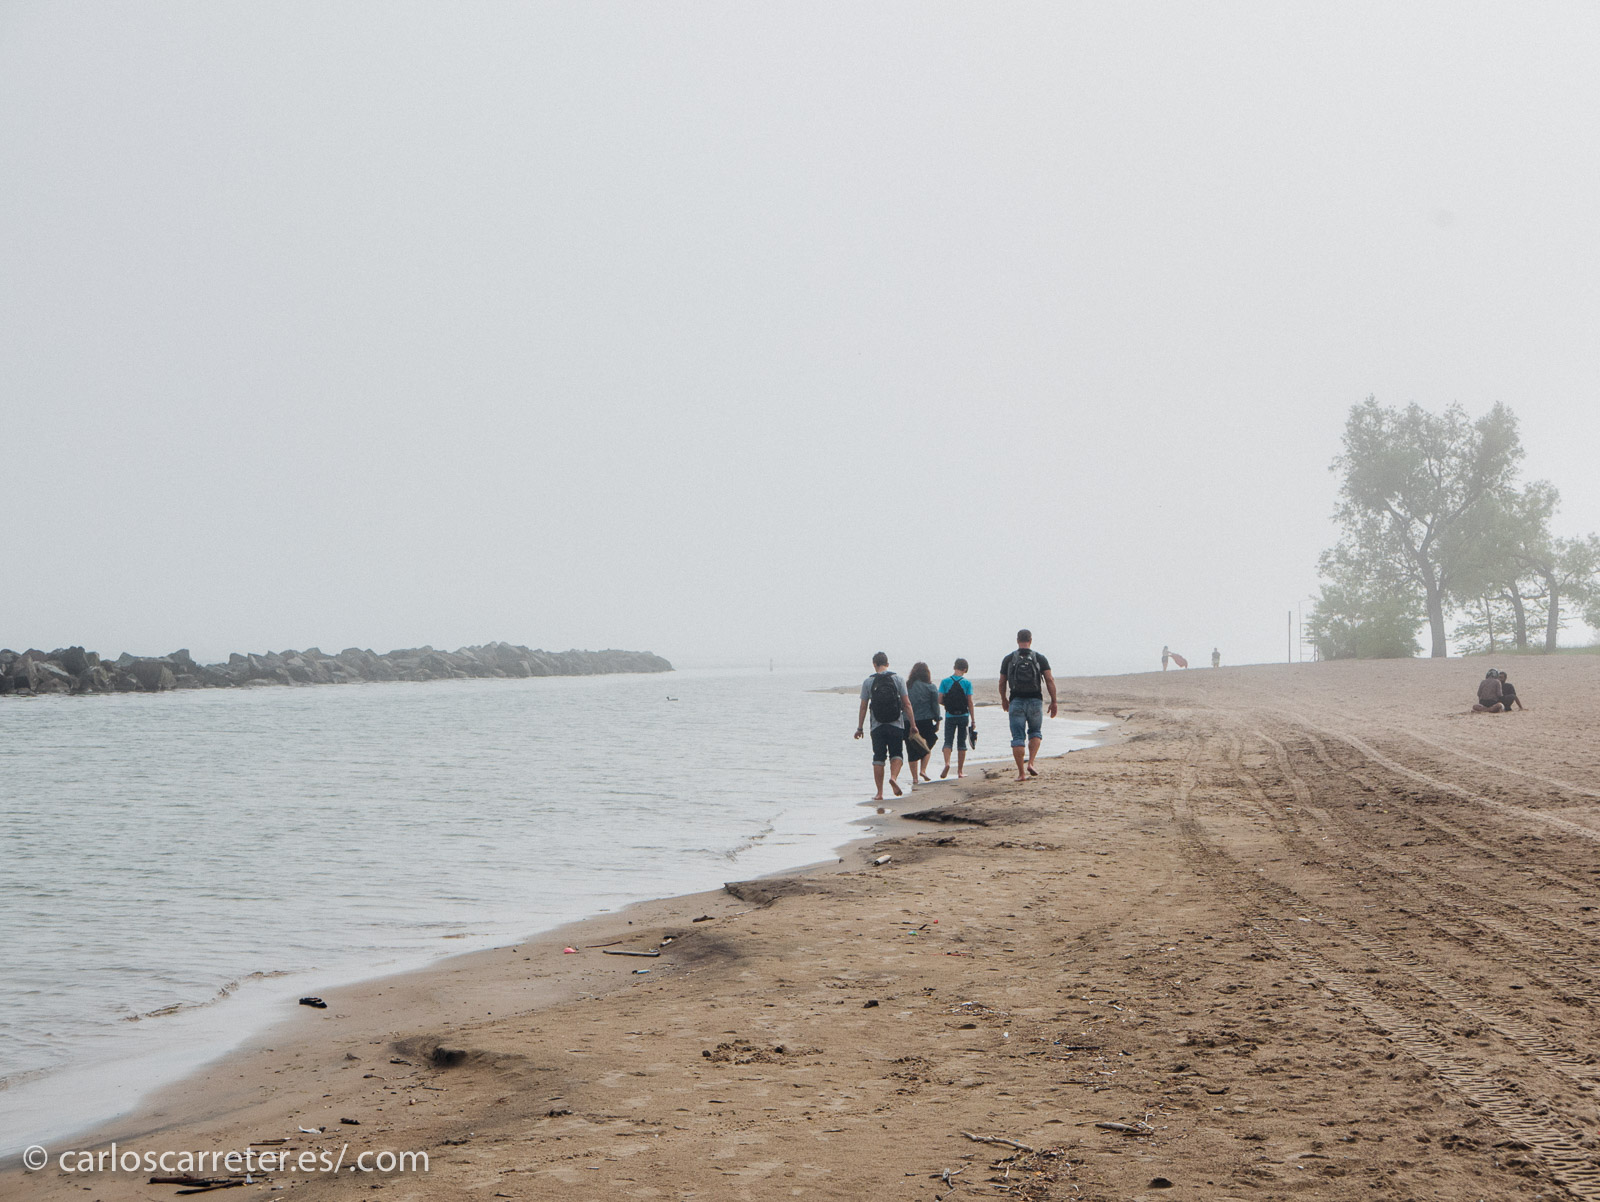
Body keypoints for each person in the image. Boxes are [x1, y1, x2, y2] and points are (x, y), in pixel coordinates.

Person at [855, 652, 919, 800]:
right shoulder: (898, 679)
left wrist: (860, 728)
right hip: (896, 724)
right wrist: (913, 725)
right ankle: (893, 778)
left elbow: (863, 707)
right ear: (887, 664)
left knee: (878, 758)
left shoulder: (868, 682)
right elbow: (907, 704)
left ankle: (879, 793)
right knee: (897, 754)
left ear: (874, 665)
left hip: (877, 726)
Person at [998, 629, 1058, 782]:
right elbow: (1049, 679)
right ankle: (1031, 763)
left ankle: (1021, 773)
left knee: (1018, 737)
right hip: (1035, 700)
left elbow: (1002, 681)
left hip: (1016, 700)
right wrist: (1054, 701)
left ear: (1017, 640)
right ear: (1030, 640)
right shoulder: (1039, 658)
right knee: (1035, 732)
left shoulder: (1009, 659)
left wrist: (1004, 699)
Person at [904, 662, 942, 783]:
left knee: (911, 749)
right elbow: (935, 706)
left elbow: (902, 704)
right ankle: (923, 770)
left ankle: (915, 778)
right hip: (925, 721)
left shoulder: (906, 687)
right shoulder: (930, 687)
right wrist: (938, 721)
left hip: (908, 721)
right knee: (927, 745)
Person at [938, 657, 975, 779]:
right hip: (963, 716)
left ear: (954, 667)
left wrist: (948, 705)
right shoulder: (967, 683)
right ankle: (960, 771)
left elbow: (939, 699)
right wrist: (973, 720)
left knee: (948, 741)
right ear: (965, 669)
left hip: (950, 715)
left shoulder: (945, 682)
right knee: (961, 743)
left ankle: (947, 763)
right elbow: (970, 702)